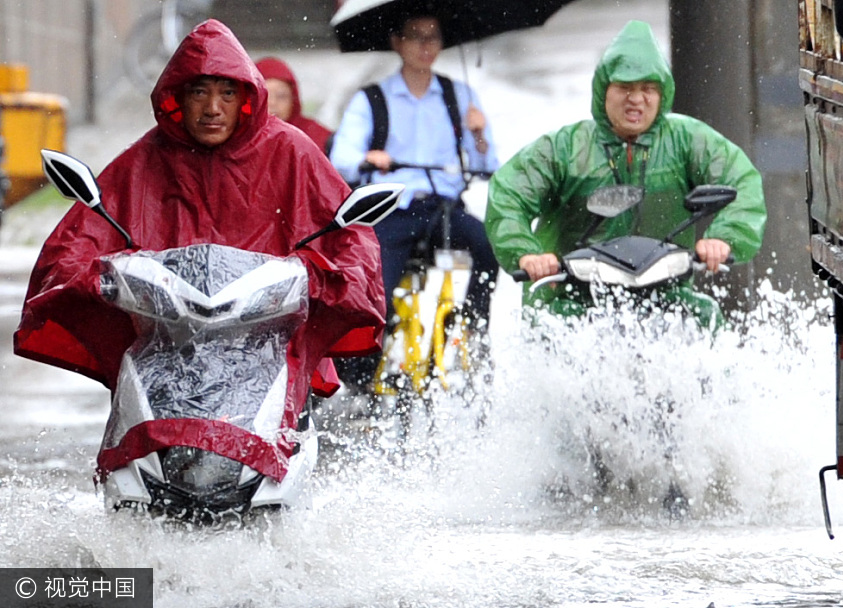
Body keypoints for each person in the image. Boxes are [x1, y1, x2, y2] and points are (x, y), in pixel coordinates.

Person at [14, 20, 385, 473]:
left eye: (227, 93)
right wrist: (94, 276)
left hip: (265, 343)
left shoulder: (292, 152)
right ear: (176, 97)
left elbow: (349, 234)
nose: (213, 108)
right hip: (167, 346)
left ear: (248, 98)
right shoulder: (143, 160)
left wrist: (323, 277)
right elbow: (78, 240)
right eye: (199, 92)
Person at [485, 20, 767, 325]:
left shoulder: (688, 139)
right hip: (571, 295)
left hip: (665, 293)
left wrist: (724, 238)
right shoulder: (564, 147)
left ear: (663, 95)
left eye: (648, 88)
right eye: (624, 87)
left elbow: (742, 184)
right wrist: (527, 254)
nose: (636, 99)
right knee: (551, 326)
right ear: (603, 91)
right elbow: (507, 195)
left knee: (706, 317)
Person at [329, 11, 500, 387]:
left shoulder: (459, 95)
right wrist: (367, 159)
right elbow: (341, 160)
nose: (425, 46)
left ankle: (474, 327)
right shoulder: (372, 98)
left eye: (433, 37)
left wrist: (480, 135)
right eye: (415, 36)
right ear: (397, 42)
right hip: (393, 211)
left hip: (444, 208)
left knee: (487, 247)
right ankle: (359, 378)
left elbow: (489, 164)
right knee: (377, 293)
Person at [255, 56, 333, 154]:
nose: (273, 103)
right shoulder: (237, 140)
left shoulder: (315, 137)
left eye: (281, 96)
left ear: (293, 100)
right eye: (265, 97)